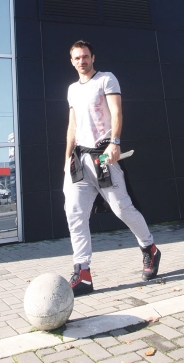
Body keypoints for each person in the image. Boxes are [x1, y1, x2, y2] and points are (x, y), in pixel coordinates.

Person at [64, 40, 161, 295]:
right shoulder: (72, 90)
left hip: (103, 155)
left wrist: (114, 142)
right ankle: (82, 272)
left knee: (122, 208)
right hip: (79, 160)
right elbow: (72, 126)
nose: (82, 61)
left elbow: (117, 112)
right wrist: (67, 159)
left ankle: (149, 247)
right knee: (74, 212)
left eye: (85, 56)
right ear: (72, 61)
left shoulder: (106, 79)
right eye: (77, 58)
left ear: (93, 57)